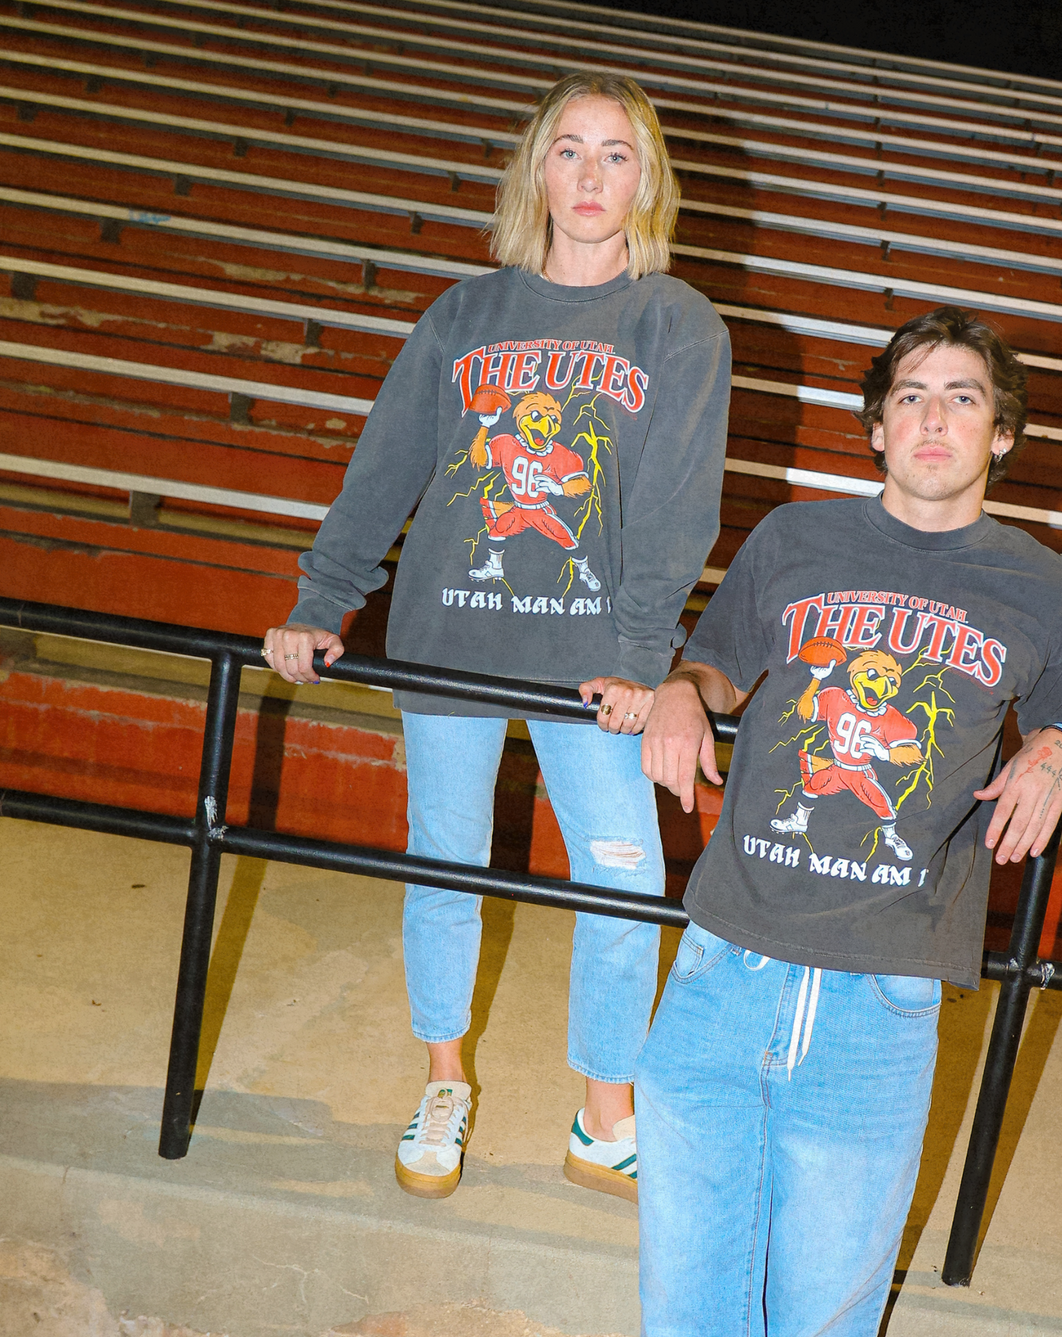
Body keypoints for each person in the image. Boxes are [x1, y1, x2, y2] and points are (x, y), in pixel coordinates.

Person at [619, 306, 1062, 1337]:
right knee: (691, 1321)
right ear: (880, 427)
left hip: (882, 1007)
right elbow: (712, 665)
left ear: (1003, 433)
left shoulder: (1042, 584)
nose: (937, 418)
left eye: (966, 399)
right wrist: (678, 704)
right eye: (911, 397)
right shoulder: (792, 540)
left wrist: (1053, 748)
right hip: (723, 970)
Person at [260, 73, 730, 1203]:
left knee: (620, 878)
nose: (589, 175)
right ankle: (442, 1081)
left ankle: (604, 1109)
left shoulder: (676, 324)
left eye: (616, 155)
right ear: (535, 168)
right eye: (568, 150)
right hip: (450, 641)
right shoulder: (464, 315)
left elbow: (674, 508)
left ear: (646, 180)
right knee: (445, 871)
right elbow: (385, 468)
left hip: (590, 664)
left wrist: (638, 652)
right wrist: (324, 599)